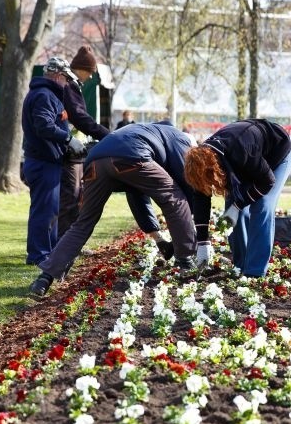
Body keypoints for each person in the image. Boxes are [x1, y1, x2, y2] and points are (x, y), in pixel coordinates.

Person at [29, 122, 198, 296]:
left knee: (83, 223)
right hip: (132, 156)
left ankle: (44, 278)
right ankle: (185, 262)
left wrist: (158, 238)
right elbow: (186, 187)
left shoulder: (147, 131)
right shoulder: (181, 140)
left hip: (95, 162)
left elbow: (137, 196)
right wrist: (195, 230)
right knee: (175, 198)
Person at [184, 119, 291, 278]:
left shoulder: (240, 150)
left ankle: (254, 272)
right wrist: (202, 242)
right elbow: (201, 199)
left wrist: (238, 205)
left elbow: (267, 181)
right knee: (233, 209)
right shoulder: (199, 164)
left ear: (214, 170)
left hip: (277, 153)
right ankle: (240, 265)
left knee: (262, 205)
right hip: (249, 162)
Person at [22, 57, 85, 266]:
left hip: (46, 161)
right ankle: (39, 255)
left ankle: (47, 252)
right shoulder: (44, 95)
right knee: (44, 211)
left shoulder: (45, 94)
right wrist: (68, 139)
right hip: (43, 162)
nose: (67, 83)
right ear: (58, 75)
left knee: (50, 211)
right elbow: (44, 126)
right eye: (66, 78)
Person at [59, 46, 110, 238]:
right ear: (81, 68)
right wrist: (106, 134)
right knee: (70, 200)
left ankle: (68, 243)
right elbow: (80, 117)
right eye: (90, 72)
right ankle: (64, 244)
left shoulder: (72, 85)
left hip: (75, 153)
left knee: (75, 198)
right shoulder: (70, 86)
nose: (90, 77)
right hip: (70, 154)